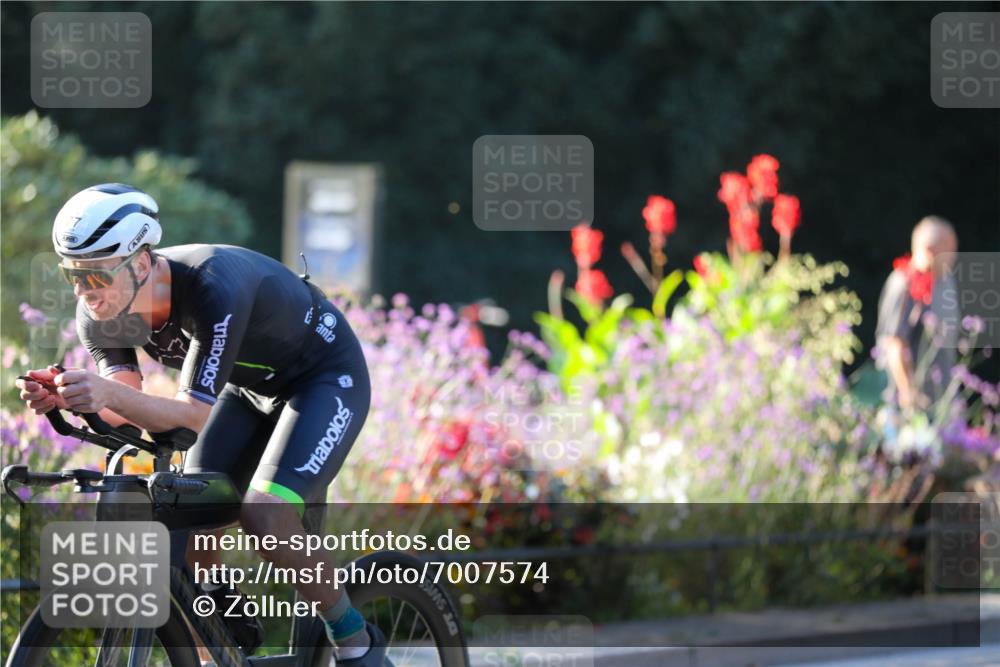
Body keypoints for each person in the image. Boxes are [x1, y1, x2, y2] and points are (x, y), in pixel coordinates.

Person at [15, 183, 386, 665]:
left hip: (323, 378)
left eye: (97, 276)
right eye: (73, 274)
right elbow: (126, 405)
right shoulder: (102, 315)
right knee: (188, 510)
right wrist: (70, 396)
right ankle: (217, 625)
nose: (84, 292)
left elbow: (190, 415)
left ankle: (355, 640)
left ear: (142, 263)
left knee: (264, 515)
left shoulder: (212, 284)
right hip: (246, 388)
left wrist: (105, 393)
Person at [875, 215, 960, 412]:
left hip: (940, 400)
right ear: (930, 251)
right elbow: (894, 342)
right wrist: (908, 393)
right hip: (907, 405)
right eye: (949, 247)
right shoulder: (904, 284)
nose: (955, 254)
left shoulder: (944, 282)